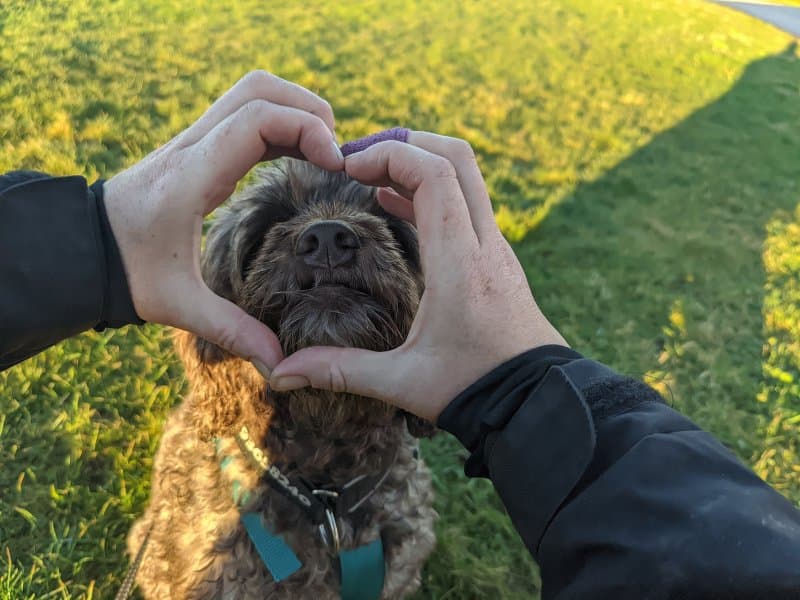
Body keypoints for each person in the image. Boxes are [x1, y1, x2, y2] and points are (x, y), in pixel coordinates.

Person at [1, 72, 799, 599]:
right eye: (280, 229)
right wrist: (101, 240)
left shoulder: (402, 520)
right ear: (214, 323)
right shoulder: (202, 515)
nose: (325, 243)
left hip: (376, 491)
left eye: (373, 233)